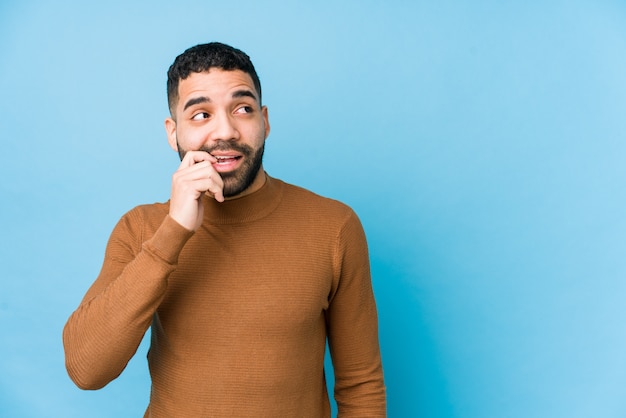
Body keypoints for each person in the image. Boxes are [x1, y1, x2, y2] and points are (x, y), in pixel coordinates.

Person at [63, 42, 386, 417]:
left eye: (243, 109)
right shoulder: (141, 228)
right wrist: (174, 231)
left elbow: (361, 386)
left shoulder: (334, 226)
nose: (226, 131)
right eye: (201, 114)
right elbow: (86, 369)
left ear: (264, 121)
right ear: (173, 133)